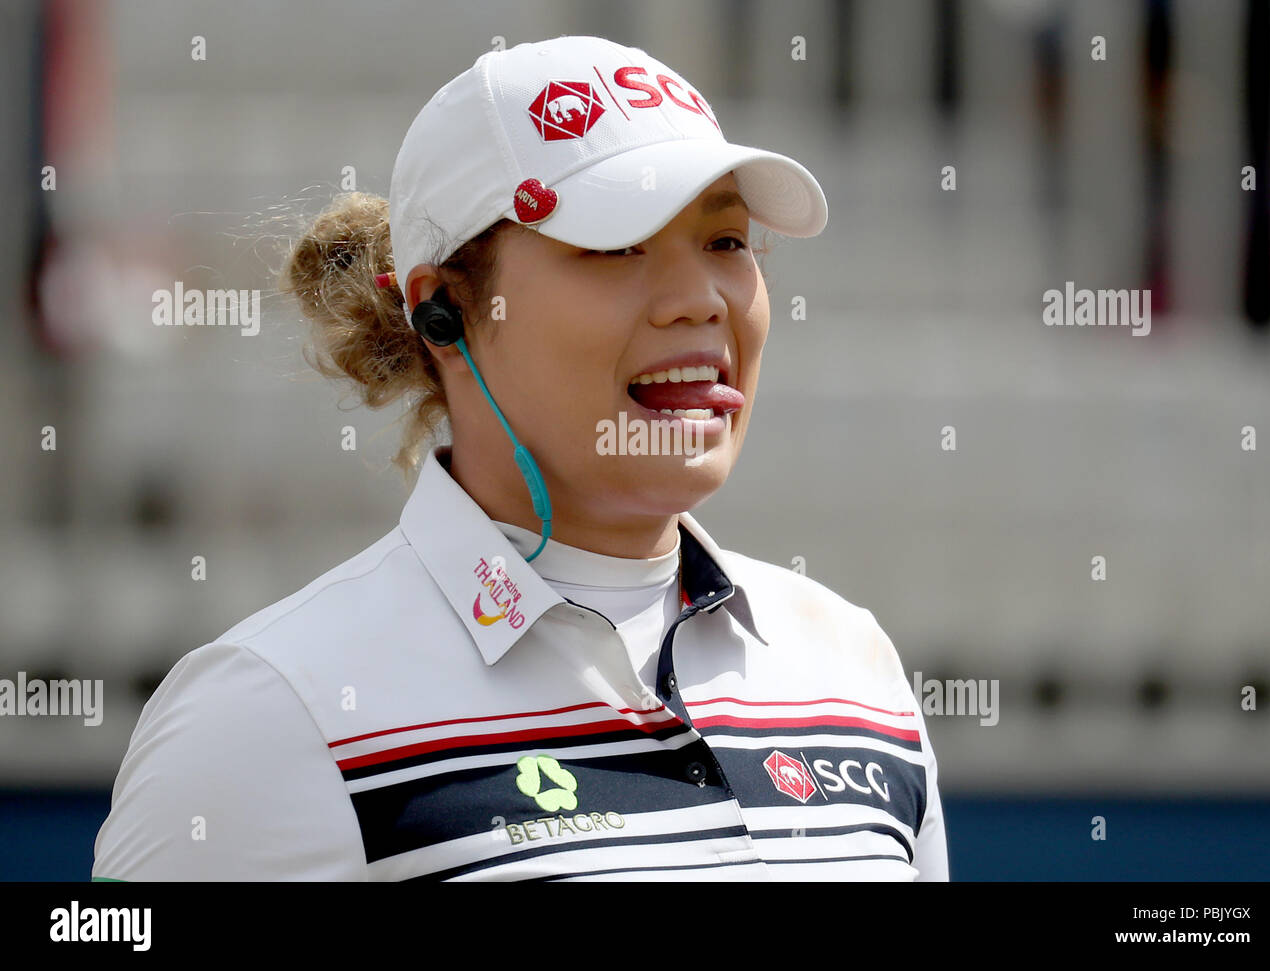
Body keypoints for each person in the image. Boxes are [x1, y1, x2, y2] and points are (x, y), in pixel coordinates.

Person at [92, 34, 948, 881]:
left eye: (725, 242)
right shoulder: (268, 711)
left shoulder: (853, 666)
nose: (701, 301)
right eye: (616, 246)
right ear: (445, 315)